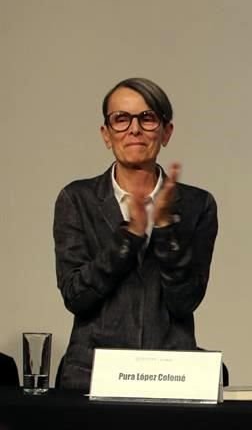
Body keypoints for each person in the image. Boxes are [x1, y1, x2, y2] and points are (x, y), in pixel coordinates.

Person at [53, 78, 218, 391]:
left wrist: (167, 228)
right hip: (92, 374)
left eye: (147, 118)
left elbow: (186, 301)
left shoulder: (198, 204)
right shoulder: (77, 199)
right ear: (106, 134)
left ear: (166, 132)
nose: (134, 129)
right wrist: (130, 237)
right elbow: (76, 296)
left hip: (171, 374)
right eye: (121, 119)